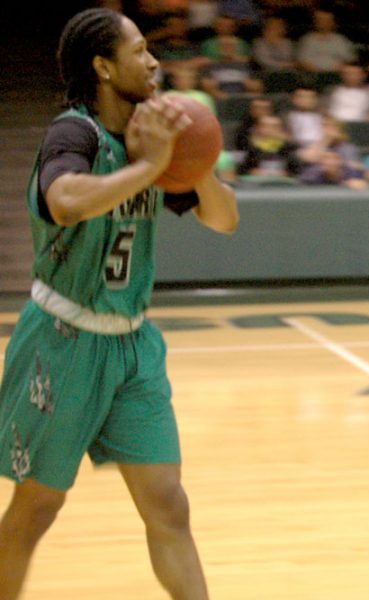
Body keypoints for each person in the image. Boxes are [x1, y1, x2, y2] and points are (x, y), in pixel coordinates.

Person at [0, 8, 238, 600]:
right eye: (138, 51)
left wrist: (193, 158)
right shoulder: (74, 133)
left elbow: (224, 218)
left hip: (133, 344)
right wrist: (151, 167)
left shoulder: (150, 140)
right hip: (63, 341)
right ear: (103, 67)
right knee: (37, 509)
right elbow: (65, 200)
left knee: (167, 502)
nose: (154, 61)